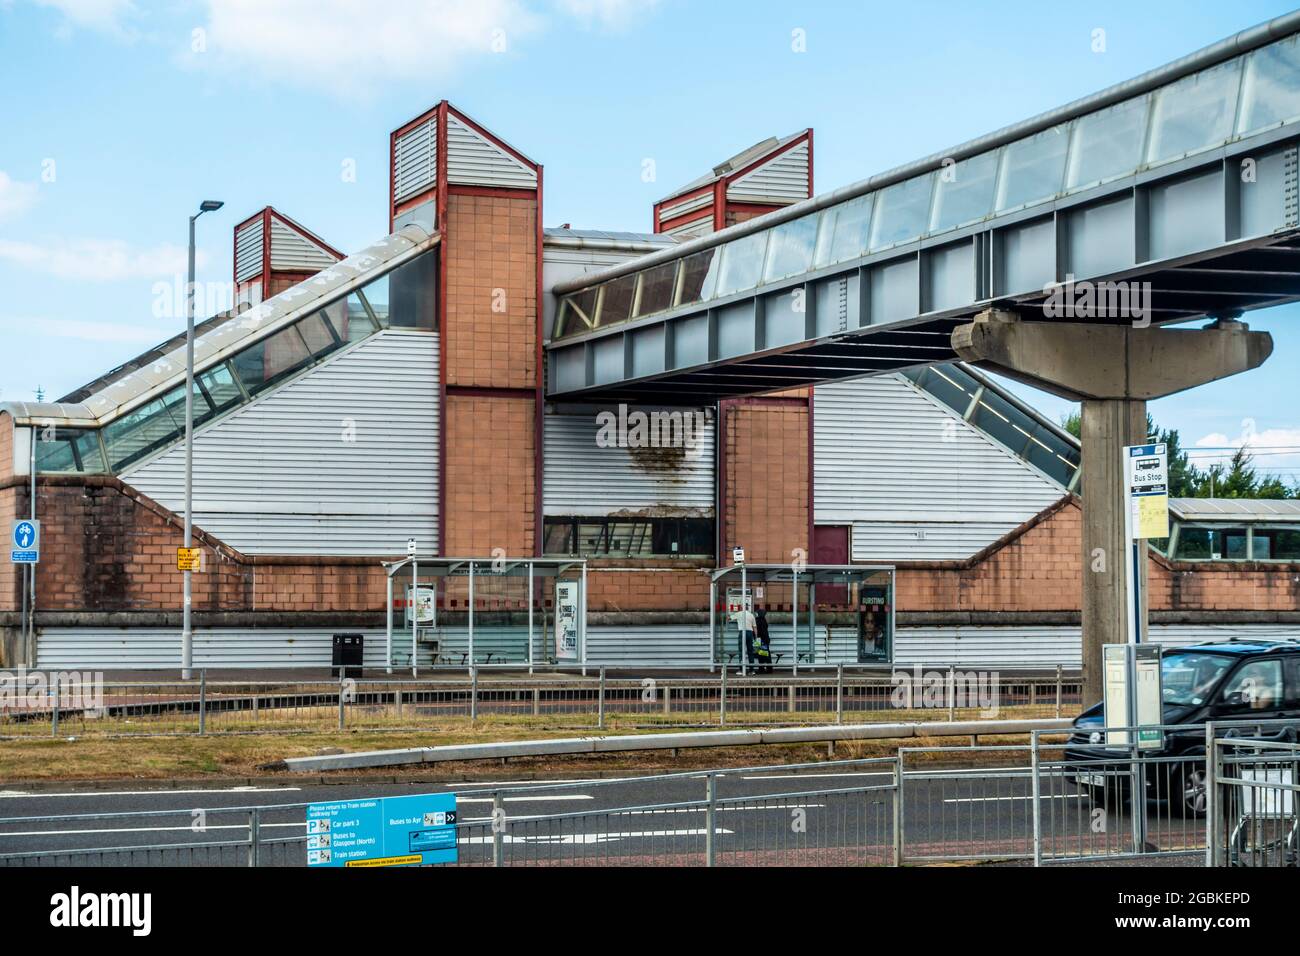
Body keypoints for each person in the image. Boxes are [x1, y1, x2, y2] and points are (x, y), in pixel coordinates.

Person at [731, 601, 756, 671]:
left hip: (742, 632)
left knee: (741, 651)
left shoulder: (738, 614)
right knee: (750, 651)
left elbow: (729, 618)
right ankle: (752, 670)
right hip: (750, 633)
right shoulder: (751, 615)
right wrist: (756, 637)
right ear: (748, 607)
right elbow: (754, 627)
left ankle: (741, 669)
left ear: (742, 607)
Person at [755, 608, 773, 674]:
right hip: (765, 639)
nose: (756, 614)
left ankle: (762, 669)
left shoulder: (758, 621)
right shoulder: (764, 620)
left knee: (762, 655)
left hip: (760, 640)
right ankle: (768, 668)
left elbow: (758, 631)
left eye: (757, 613)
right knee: (765, 654)